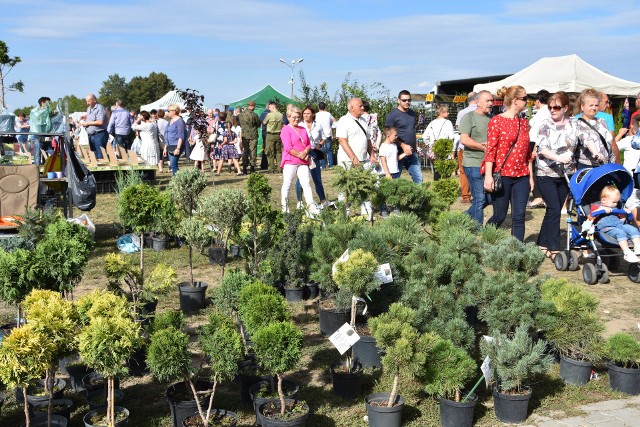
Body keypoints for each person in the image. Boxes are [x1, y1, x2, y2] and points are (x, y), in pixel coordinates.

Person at [483, 86, 533, 242]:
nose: (527, 101)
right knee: (500, 215)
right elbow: (490, 150)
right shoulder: (496, 121)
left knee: (519, 216)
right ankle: (487, 240)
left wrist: (530, 176)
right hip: (502, 175)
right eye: (524, 98)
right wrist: (488, 176)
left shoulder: (524, 123)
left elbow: (527, 153)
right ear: (515, 100)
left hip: (522, 176)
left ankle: (516, 250)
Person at [535, 91, 579, 258]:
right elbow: (543, 149)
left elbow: (580, 143)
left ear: (565, 108)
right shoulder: (544, 124)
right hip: (546, 173)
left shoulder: (574, 124)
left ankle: (542, 242)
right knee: (553, 208)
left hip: (565, 173)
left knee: (553, 210)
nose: (552, 110)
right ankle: (554, 248)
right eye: (550, 107)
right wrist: (559, 157)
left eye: (556, 107)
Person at [336, 97, 378, 218]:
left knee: (365, 185)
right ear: (352, 107)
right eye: (360, 106)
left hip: (363, 160)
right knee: (345, 187)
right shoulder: (344, 121)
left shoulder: (364, 120)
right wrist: (353, 157)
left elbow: (368, 139)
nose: (363, 107)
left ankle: (366, 213)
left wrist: (372, 155)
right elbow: (342, 141)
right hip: (347, 161)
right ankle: (344, 214)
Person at [459, 90, 494, 225]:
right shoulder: (469, 117)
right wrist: (482, 147)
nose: (490, 103)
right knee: (479, 198)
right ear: (478, 102)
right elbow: (464, 140)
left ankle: (465, 216)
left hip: (489, 165)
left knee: (489, 199)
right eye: (487, 100)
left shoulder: (492, 119)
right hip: (473, 163)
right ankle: (477, 227)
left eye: (491, 100)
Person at [280, 106, 319, 216]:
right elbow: (288, 147)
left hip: (303, 162)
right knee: (287, 184)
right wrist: (300, 155)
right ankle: (285, 208)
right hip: (290, 161)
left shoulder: (302, 129)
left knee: (306, 183)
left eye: (298, 117)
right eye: (294, 117)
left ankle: (311, 206)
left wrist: (305, 152)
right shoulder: (285, 129)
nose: (296, 119)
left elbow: (308, 144)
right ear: (288, 117)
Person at [590, 185, 640, 263]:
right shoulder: (597, 206)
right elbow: (592, 215)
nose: (615, 204)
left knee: (632, 229)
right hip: (606, 228)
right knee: (620, 233)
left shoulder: (616, 209)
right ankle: (627, 253)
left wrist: (624, 213)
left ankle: (637, 247)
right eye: (613, 202)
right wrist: (602, 209)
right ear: (603, 200)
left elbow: (621, 220)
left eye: (617, 202)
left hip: (619, 225)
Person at [384, 90, 422, 183]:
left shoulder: (412, 113)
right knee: (394, 181)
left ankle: (416, 198)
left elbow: (411, 130)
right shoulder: (392, 115)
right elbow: (388, 134)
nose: (407, 102)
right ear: (398, 100)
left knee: (419, 180)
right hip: (397, 153)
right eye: (404, 100)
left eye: (409, 100)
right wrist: (403, 145)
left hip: (411, 152)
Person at [573, 88, 615, 169]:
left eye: (596, 105)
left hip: (605, 165)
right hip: (588, 167)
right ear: (582, 106)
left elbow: (610, 143)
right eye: (591, 105)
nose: (594, 108)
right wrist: (595, 153)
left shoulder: (602, 121)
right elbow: (586, 138)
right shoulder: (576, 123)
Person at [295, 106, 327, 207]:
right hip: (303, 153)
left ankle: (323, 200)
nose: (306, 115)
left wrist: (320, 144)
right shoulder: (299, 125)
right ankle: (299, 201)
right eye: (304, 114)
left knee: (317, 178)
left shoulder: (318, 125)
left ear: (313, 114)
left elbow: (324, 137)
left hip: (314, 152)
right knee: (301, 178)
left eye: (308, 113)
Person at [528, 90, 551, 209]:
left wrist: (535, 148)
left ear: (537, 101)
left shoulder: (543, 112)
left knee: (534, 168)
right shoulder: (546, 111)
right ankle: (540, 195)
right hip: (539, 142)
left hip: (536, 142)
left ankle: (538, 196)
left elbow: (538, 130)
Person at [616, 115, 640, 226]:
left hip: (631, 179)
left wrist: (620, 134)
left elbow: (612, 147)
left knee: (632, 203)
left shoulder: (629, 140)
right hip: (633, 177)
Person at [455, 92, 479, 204]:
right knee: (479, 171)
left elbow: (460, 130)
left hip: (464, 147)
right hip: (479, 146)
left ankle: (466, 196)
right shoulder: (483, 112)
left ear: (468, 100)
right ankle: (480, 195)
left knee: (464, 172)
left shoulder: (462, 113)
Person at [81, 94, 108, 159]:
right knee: (94, 156)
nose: (87, 103)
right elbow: (91, 119)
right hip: (91, 135)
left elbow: (100, 122)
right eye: (86, 101)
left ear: (94, 100)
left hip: (99, 135)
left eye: (89, 101)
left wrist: (87, 123)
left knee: (100, 156)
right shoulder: (89, 109)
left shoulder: (99, 108)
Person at [163, 103, 185, 175]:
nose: (167, 112)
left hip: (176, 145)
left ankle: (178, 181)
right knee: (173, 165)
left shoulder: (179, 121)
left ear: (174, 111)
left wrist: (178, 148)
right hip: (169, 145)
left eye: (169, 111)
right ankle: (178, 181)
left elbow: (181, 135)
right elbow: (167, 134)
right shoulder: (170, 121)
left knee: (173, 165)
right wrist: (165, 147)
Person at [239, 100, 261, 174]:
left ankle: (244, 168)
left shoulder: (241, 114)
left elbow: (240, 124)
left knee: (245, 151)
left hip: (244, 135)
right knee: (253, 151)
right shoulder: (254, 115)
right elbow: (258, 124)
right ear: (252, 106)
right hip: (253, 136)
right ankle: (252, 167)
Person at [29, 96, 52, 165]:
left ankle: (47, 166)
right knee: (37, 152)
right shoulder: (35, 111)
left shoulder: (48, 111)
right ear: (43, 102)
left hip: (47, 133)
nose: (49, 104)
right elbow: (36, 119)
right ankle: (37, 168)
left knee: (48, 150)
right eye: (48, 102)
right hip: (38, 134)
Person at [263, 101, 284, 173]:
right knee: (278, 152)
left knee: (270, 152)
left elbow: (264, 122)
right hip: (278, 135)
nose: (269, 109)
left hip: (270, 135)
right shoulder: (281, 115)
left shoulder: (269, 114)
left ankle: (271, 169)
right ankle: (280, 168)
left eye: (270, 107)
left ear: (273, 107)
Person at [315, 101, 336, 168]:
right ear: (325, 107)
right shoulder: (328, 114)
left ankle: (322, 165)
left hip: (319, 134)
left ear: (318, 107)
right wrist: (333, 127)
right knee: (329, 150)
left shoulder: (316, 115)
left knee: (320, 150)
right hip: (328, 134)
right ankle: (331, 165)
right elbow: (334, 120)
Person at [156, 109, 167, 173]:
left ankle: (160, 168)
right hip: (166, 139)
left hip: (159, 139)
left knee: (159, 154)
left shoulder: (156, 122)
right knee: (167, 154)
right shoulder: (167, 122)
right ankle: (170, 167)